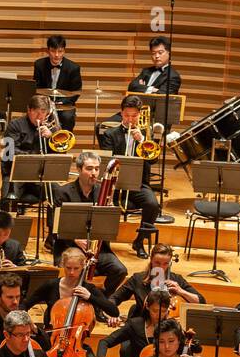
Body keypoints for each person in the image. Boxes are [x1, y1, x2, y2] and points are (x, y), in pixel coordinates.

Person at [50, 150, 127, 294]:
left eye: (97, 169)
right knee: (79, 272)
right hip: (70, 247)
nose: (94, 173)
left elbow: (109, 228)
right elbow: (54, 225)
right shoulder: (63, 192)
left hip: (97, 248)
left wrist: (109, 214)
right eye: (89, 168)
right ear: (79, 169)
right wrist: (75, 239)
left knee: (120, 270)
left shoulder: (104, 191)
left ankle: (99, 300)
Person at [98, 96, 160, 257]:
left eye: (134, 116)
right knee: (101, 202)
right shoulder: (110, 134)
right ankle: (104, 244)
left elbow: (153, 160)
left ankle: (139, 242)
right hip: (114, 184)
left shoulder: (147, 134)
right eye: (126, 115)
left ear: (140, 115)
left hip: (138, 183)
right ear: (121, 113)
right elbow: (107, 161)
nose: (130, 119)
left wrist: (142, 141)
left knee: (152, 204)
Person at [110, 243, 204, 318]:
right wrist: (113, 315)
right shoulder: (138, 278)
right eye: (157, 263)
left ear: (170, 263)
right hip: (141, 326)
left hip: (167, 328)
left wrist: (180, 291)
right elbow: (114, 298)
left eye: (165, 263)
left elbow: (201, 302)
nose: (161, 267)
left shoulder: (176, 279)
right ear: (151, 260)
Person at [32, 34, 81, 131]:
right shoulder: (39, 65)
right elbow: (37, 87)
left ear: (64, 51)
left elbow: (75, 92)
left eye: (60, 51)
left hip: (65, 104)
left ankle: (64, 142)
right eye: (53, 51)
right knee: (34, 114)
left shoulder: (73, 68)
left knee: (68, 116)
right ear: (48, 50)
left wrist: (61, 102)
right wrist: (46, 102)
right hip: (44, 103)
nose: (57, 55)